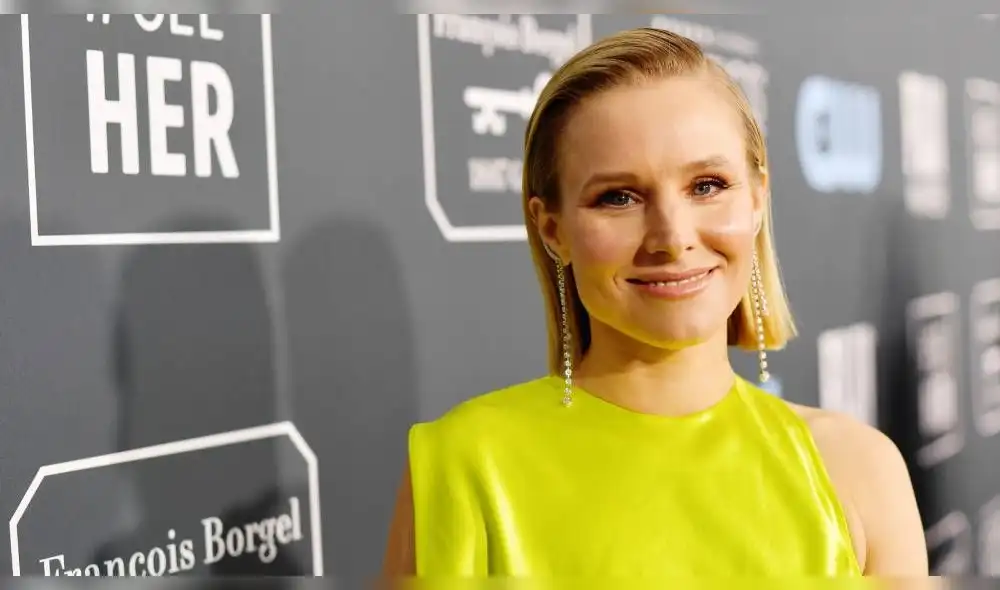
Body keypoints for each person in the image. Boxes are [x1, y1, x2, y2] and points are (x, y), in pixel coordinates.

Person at [383, 27, 928, 577]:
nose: (671, 235)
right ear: (553, 229)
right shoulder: (465, 465)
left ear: (758, 199)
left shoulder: (856, 468)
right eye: (618, 197)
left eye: (708, 185)